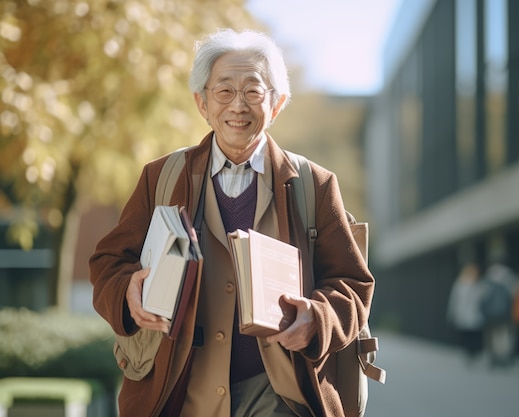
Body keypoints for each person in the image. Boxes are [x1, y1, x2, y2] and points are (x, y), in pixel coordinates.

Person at [89, 28, 375, 417]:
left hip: (281, 393)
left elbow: (354, 285)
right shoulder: (161, 177)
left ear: (276, 105)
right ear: (202, 103)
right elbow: (107, 262)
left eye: (253, 92)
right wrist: (127, 292)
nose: (238, 106)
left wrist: (317, 318)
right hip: (182, 389)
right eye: (224, 91)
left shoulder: (315, 185)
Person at [480, 259, 517, 368]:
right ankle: (504, 357)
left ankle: (493, 357)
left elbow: (483, 299)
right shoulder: (509, 279)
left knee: (491, 337)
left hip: (490, 315)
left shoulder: (487, 281)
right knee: (504, 336)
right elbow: (513, 296)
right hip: (505, 314)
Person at [446, 263, 485, 364]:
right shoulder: (460, 284)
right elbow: (454, 300)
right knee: (466, 335)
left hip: (476, 315)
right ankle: (469, 353)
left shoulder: (479, 285)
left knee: (475, 334)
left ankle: (474, 353)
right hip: (464, 315)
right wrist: (452, 312)